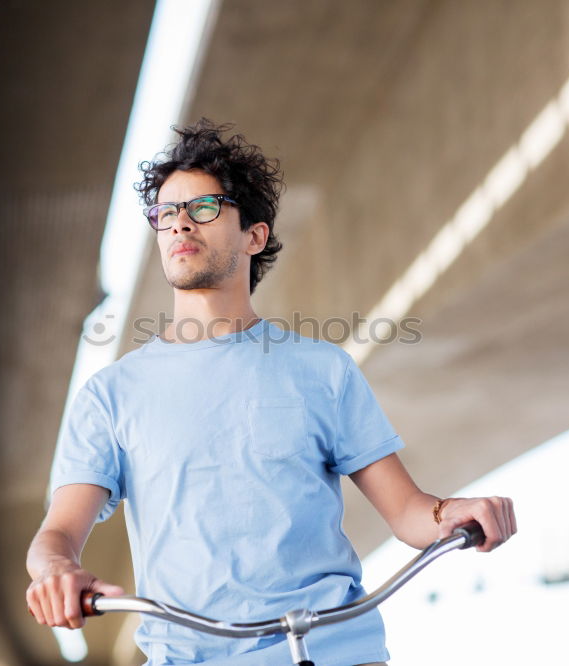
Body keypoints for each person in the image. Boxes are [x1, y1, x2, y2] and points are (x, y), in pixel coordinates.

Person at [26, 119, 517, 665]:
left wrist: (453, 510)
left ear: (253, 236)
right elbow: (56, 536)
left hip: (331, 651)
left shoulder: (324, 370)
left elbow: (409, 513)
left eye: (204, 208)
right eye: (167, 213)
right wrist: (56, 571)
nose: (180, 224)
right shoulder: (110, 395)